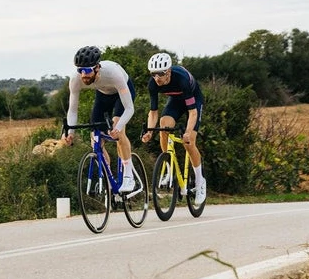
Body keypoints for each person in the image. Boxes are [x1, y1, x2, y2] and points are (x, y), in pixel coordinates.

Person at [62, 45, 137, 192]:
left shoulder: (113, 73)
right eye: (80, 70)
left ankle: (129, 177)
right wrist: (70, 132)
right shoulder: (75, 80)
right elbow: (72, 110)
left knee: (118, 129)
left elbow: (129, 108)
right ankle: (110, 182)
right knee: (95, 138)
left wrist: (118, 128)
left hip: (121, 94)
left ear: (97, 67)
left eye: (88, 70)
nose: (84, 75)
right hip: (102, 95)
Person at [139, 52, 206, 204]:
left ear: (168, 72)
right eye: (153, 75)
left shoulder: (181, 80)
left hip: (193, 102)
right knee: (163, 127)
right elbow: (153, 112)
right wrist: (150, 131)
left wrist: (188, 133)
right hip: (175, 101)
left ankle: (200, 182)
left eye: (160, 74)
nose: (157, 78)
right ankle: (169, 167)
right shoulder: (153, 84)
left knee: (189, 142)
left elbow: (192, 112)